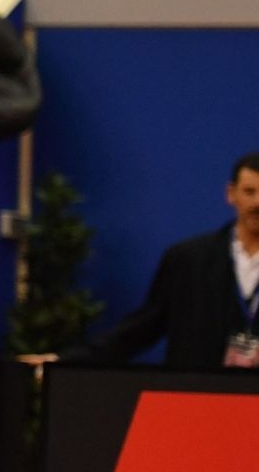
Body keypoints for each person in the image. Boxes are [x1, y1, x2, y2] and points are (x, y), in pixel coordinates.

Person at [59, 153, 259, 369]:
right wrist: (64, 362)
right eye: (249, 192)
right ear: (231, 194)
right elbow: (142, 329)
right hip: (196, 395)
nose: (258, 202)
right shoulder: (188, 260)